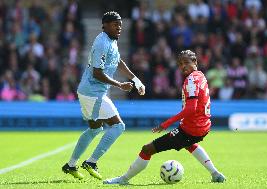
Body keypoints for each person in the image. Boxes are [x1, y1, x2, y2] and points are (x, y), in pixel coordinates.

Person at [103, 50, 226, 185]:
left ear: (195, 62)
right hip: (204, 126)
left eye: (186, 62)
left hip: (191, 128)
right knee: (189, 144)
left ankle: (123, 180)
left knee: (147, 149)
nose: (183, 66)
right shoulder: (200, 76)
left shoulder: (191, 80)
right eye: (180, 64)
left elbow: (191, 109)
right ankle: (215, 173)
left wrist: (165, 124)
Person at [62, 11, 145, 180]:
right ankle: (91, 162)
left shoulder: (111, 41)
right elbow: (97, 73)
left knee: (95, 129)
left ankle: (70, 165)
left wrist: (136, 80)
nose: (119, 28)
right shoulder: (101, 42)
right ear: (105, 25)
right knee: (118, 126)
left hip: (90, 92)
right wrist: (120, 85)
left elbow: (119, 62)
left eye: (120, 25)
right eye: (116, 24)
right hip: (93, 92)